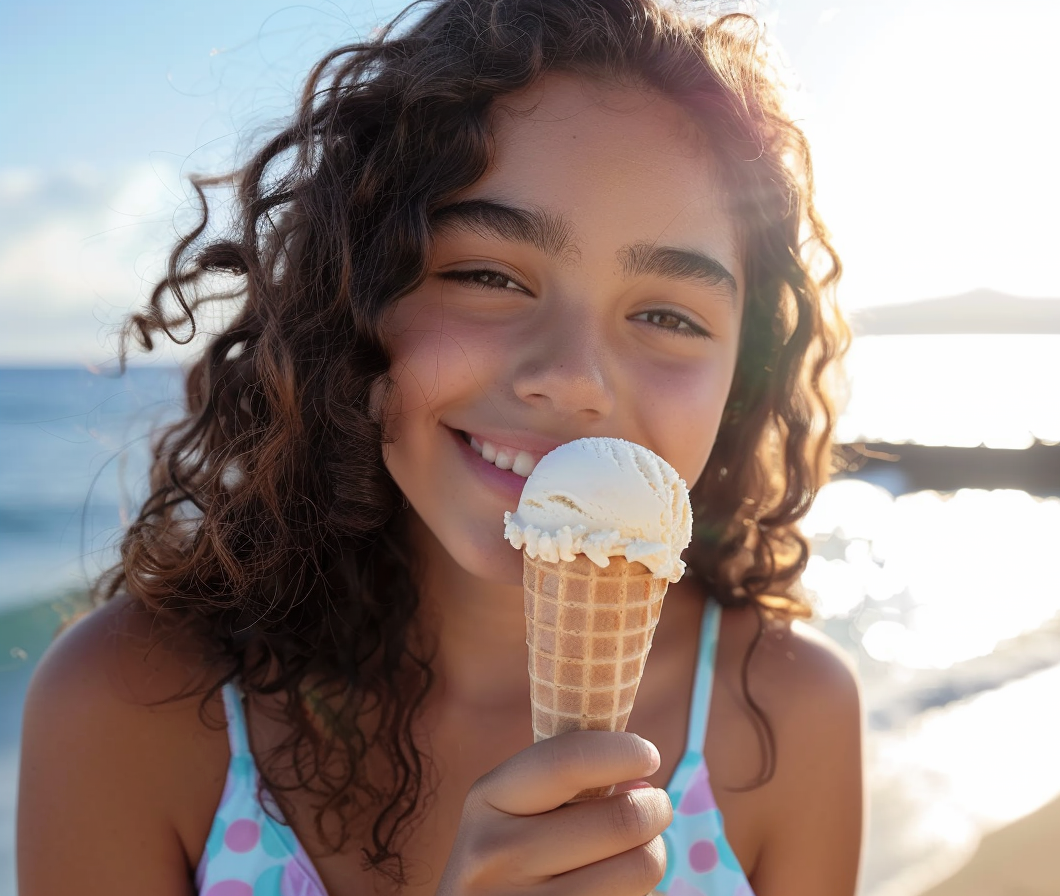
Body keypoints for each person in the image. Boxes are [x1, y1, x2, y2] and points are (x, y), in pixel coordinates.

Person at [17, 0, 862, 893]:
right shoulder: (129, 705)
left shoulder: (790, 715)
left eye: (667, 314)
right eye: (487, 274)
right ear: (351, 297)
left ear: (743, 379)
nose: (574, 376)